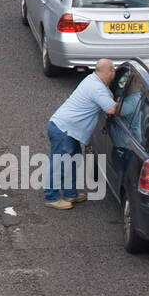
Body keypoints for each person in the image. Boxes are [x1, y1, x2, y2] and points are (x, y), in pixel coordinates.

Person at [44, 60, 118, 208]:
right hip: (64, 130)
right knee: (59, 164)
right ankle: (51, 197)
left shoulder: (92, 80)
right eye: (114, 71)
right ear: (109, 71)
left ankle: (70, 194)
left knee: (72, 162)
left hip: (68, 129)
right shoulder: (96, 87)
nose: (115, 74)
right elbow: (111, 109)